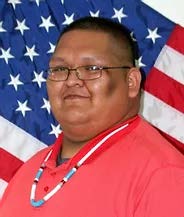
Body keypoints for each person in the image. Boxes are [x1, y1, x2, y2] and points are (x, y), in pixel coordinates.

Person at [0, 16, 184, 217]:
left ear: (131, 82)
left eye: (91, 69)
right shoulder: (29, 172)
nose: (72, 81)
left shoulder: (163, 175)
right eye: (60, 69)